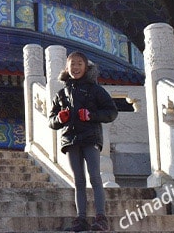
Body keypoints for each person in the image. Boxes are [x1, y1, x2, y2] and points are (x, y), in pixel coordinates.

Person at [49, 51, 118, 232]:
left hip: (90, 138)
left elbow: (111, 112)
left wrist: (91, 115)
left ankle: (101, 217)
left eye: (79, 64)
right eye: (72, 64)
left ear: (86, 67)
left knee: (95, 176)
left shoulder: (95, 90)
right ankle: (81, 219)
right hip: (71, 140)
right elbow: (51, 120)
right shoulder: (61, 93)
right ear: (67, 68)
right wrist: (60, 119)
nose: (76, 67)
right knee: (78, 180)